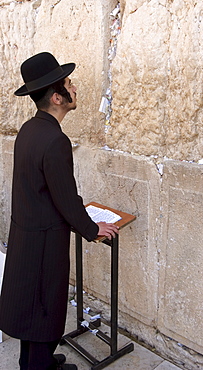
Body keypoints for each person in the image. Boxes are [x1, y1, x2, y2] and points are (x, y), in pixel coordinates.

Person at [0, 52, 118, 370]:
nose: (75, 88)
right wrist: (93, 230)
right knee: (43, 311)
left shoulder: (29, 130)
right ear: (57, 97)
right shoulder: (55, 140)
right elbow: (66, 199)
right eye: (69, 84)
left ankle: (39, 362)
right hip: (44, 244)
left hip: (26, 236)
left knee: (32, 309)